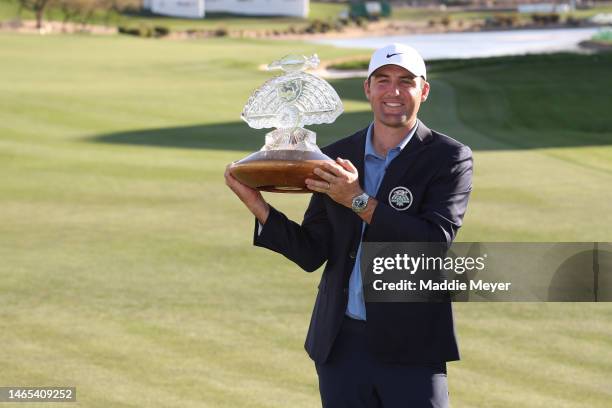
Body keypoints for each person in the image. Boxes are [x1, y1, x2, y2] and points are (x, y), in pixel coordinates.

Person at [225, 43, 473, 408]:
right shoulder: (336, 154)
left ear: (424, 90)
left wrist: (358, 200)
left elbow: (432, 243)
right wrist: (258, 206)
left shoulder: (449, 157)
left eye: (406, 81)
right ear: (368, 89)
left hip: (412, 346)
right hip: (342, 346)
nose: (394, 91)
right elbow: (312, 252)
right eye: (383, 80)